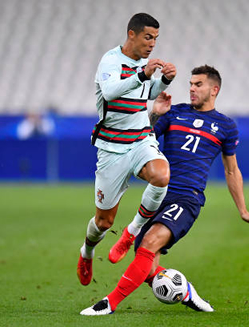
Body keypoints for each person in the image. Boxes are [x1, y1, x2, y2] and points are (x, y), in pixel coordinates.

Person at [80, 65, 249, 315]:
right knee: (146, 266)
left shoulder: (226, 126)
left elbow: (232, 170)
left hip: (188, 197)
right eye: (190, 83)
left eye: (198, 84)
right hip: (159, 195)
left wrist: (243, 209)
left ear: (214, 89)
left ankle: (108, 303)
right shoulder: (174, 113)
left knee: (150, 243)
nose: (191, 88)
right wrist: (155, 113)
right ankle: (185, 291)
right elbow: (142, 139)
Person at [77, 13, 177, 287]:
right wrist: (143, 74)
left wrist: (164, 82)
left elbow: (144, 91)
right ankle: (86, 252)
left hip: (141, 138)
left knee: (161, 175)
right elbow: (111, 92)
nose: (152, 44)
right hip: (111, 148)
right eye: (148, 37)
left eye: (156, 38)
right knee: (103, 221)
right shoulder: (110, 61)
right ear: (131, 34)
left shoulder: (144, 64)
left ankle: (131, 233)